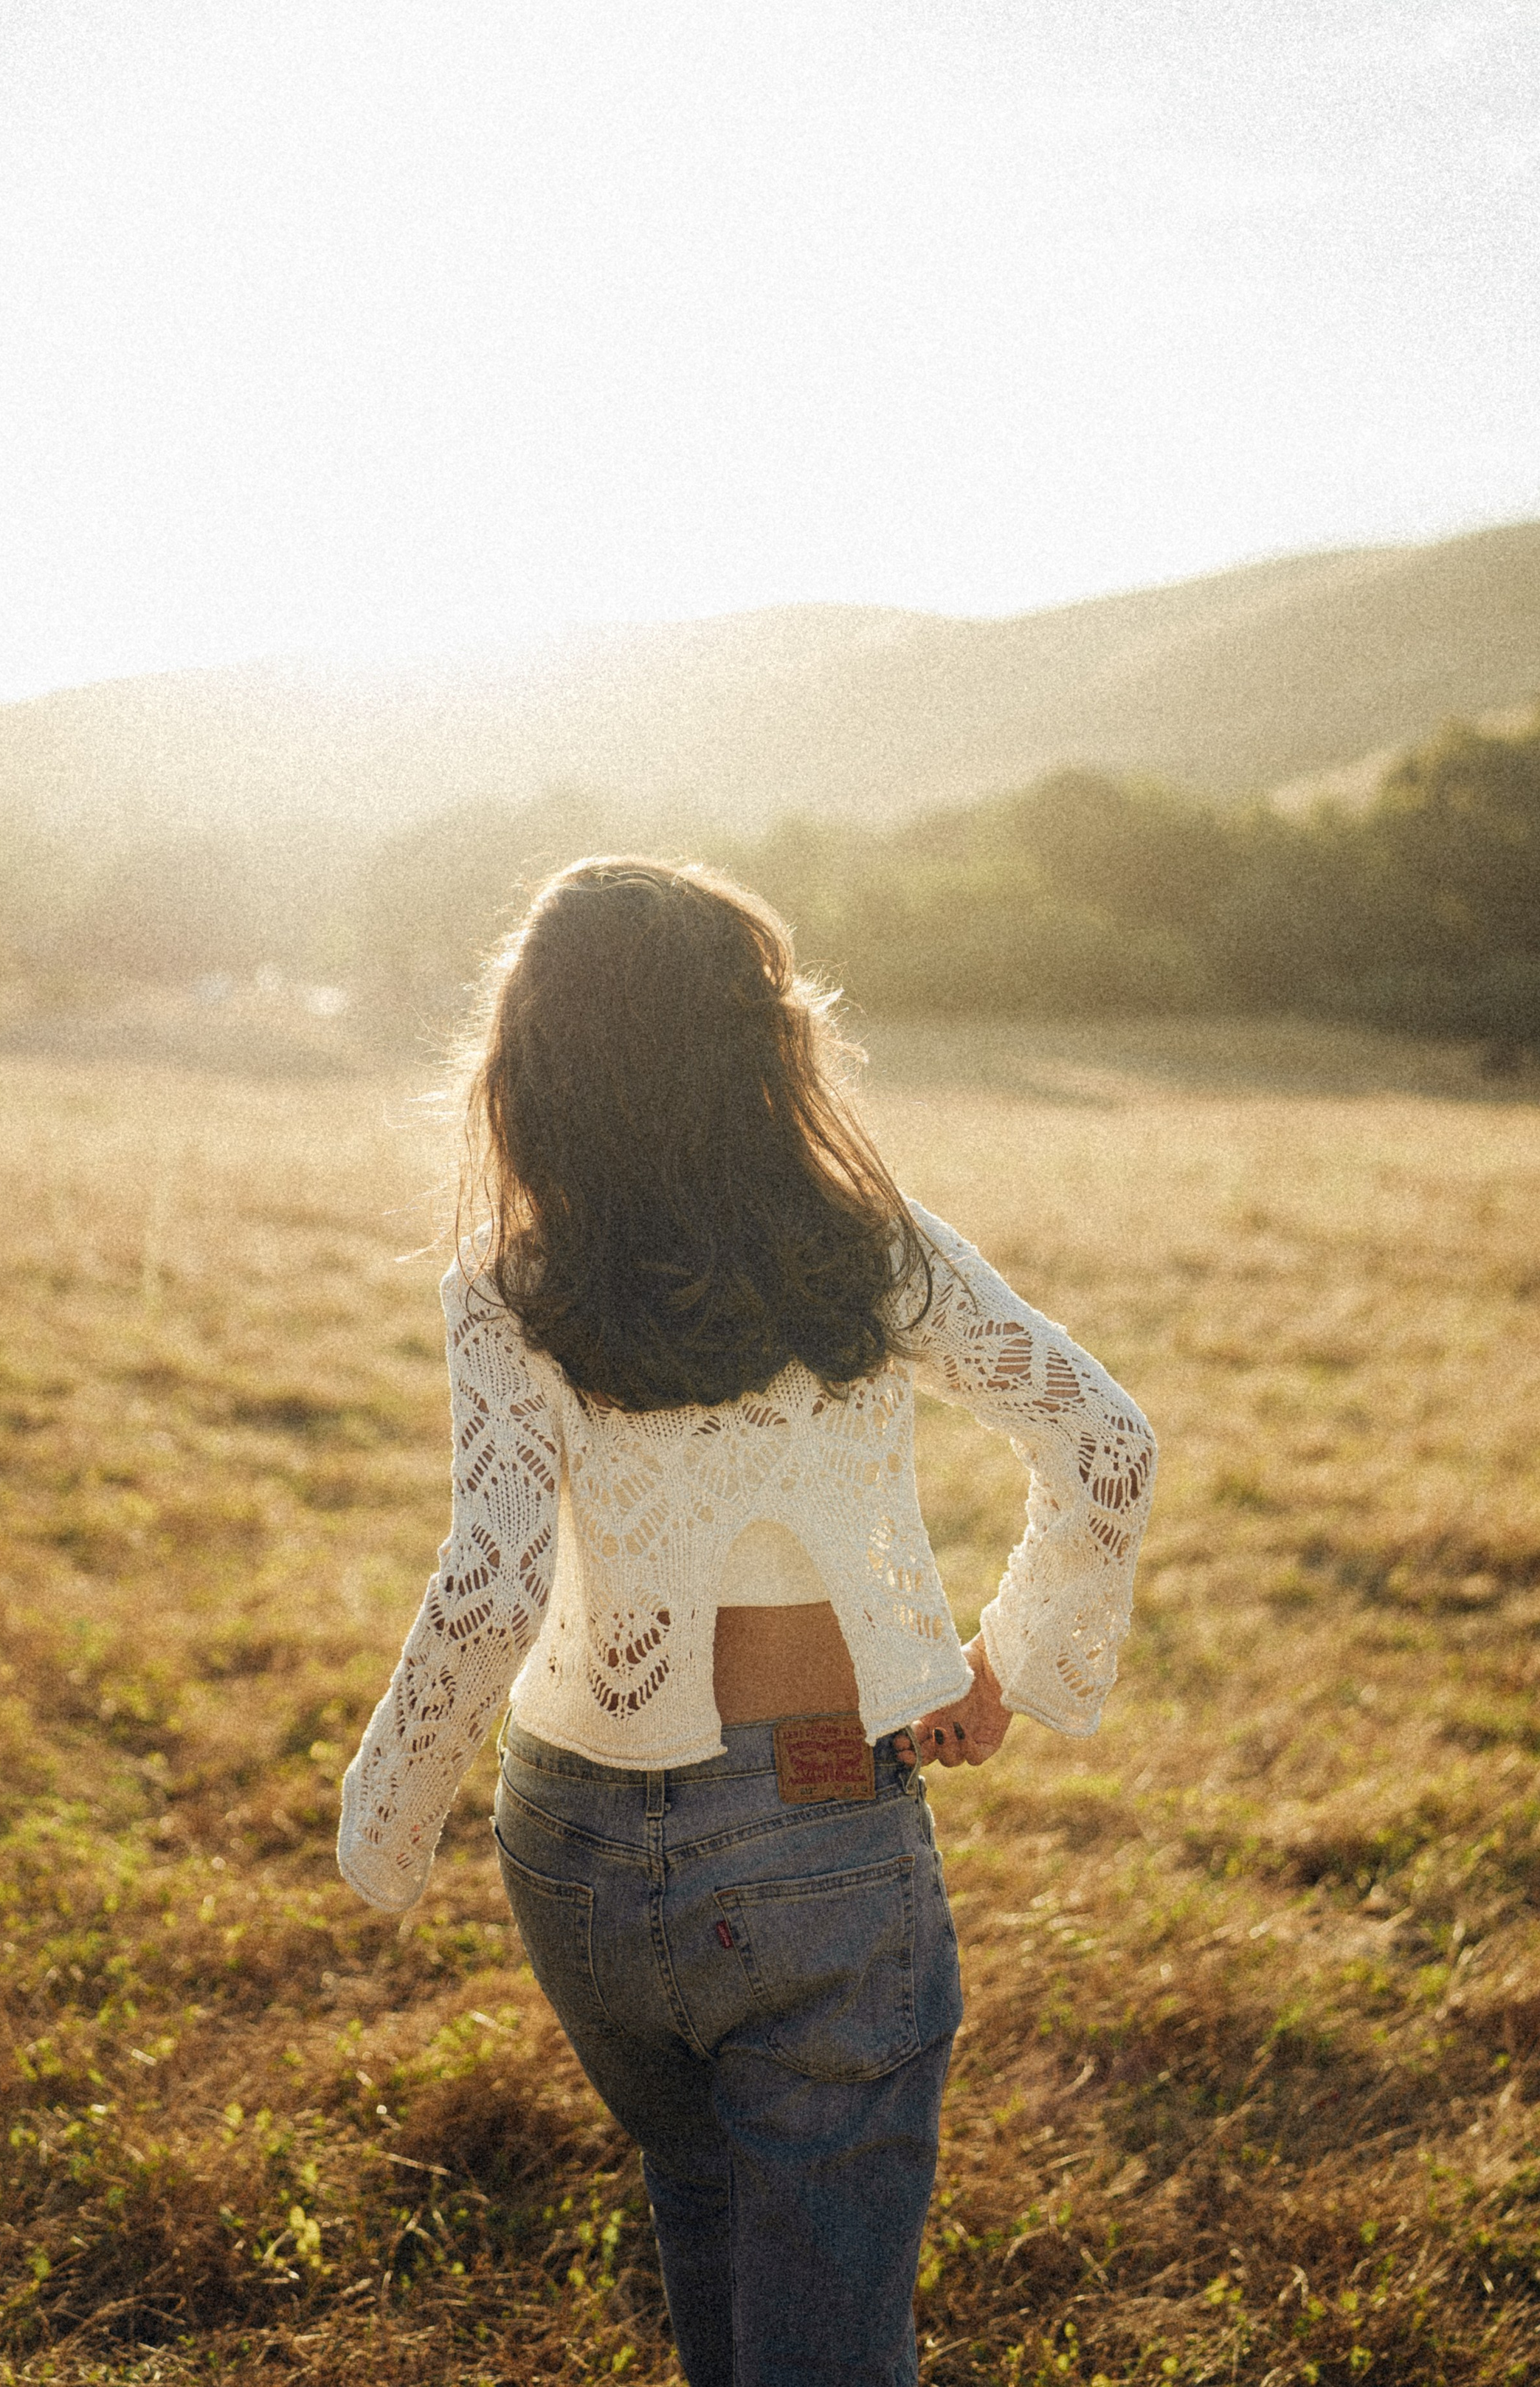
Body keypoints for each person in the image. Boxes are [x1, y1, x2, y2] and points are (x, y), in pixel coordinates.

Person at [337, 859, 1156, 2387]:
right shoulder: (866, 1245)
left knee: (703, 2207)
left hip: (569, 1846)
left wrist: (386, 1811)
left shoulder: (508, 1276)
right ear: (764, 1044)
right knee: (823, 2321)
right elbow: (1105, 1447)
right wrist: (1009, 1665)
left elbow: (494, 1579)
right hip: (813, 1832)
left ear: (534, 1063)